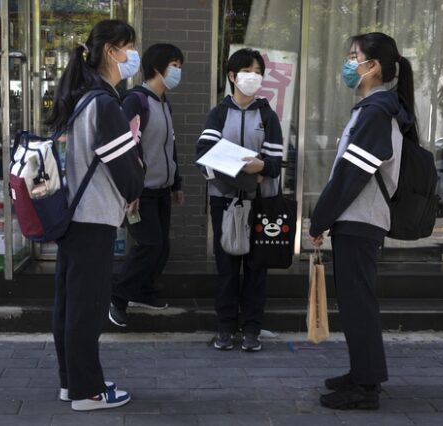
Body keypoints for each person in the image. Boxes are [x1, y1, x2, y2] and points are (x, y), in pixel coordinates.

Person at [308, 32, 417, 410]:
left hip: (360, 219)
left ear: (374, 67)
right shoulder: (373, 109)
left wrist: (319, 218)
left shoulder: (376, 111)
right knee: (355, 303)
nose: (349, 63)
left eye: (355, 56)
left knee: (359, 305)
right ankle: (361, 373)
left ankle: (367, 386)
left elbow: (351, 175)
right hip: (357, 219)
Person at [46, 19, 144, 411]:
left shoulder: (81, 99)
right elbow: (128, 175)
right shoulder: (105, 104)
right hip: (93, 220)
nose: (132, 56)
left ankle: (72, 382)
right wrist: (137, 179)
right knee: (87, 308)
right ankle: (88, 391)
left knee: (70, 304)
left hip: (72, 218)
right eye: (129, 48)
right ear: (111, 51)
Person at [196, 48, 283, 352]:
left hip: (262, 203)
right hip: (225, 202)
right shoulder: (218, 113)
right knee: (227, 266)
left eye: (258, 71)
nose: (253, 76)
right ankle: (225, 327)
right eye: (247, 70)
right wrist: (246, 174)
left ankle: (252, 329)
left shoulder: (268, 115)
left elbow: (275, 161)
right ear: (232, 76)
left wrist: (260, 171)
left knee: (257, 268)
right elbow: (205, 157)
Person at [108, 43, 184, 327]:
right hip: (141, 193)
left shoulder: (164, 103)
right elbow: (126, 147)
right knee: (149, 245)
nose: (178, 71)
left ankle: (143, 291)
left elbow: (169, 146)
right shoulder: (136, 101)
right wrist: (131, 189)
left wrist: (176, 183)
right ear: (157, 68)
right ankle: (118, 296)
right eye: (174, 65)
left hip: (162, 190)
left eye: (179, 65)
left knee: (161, 246)